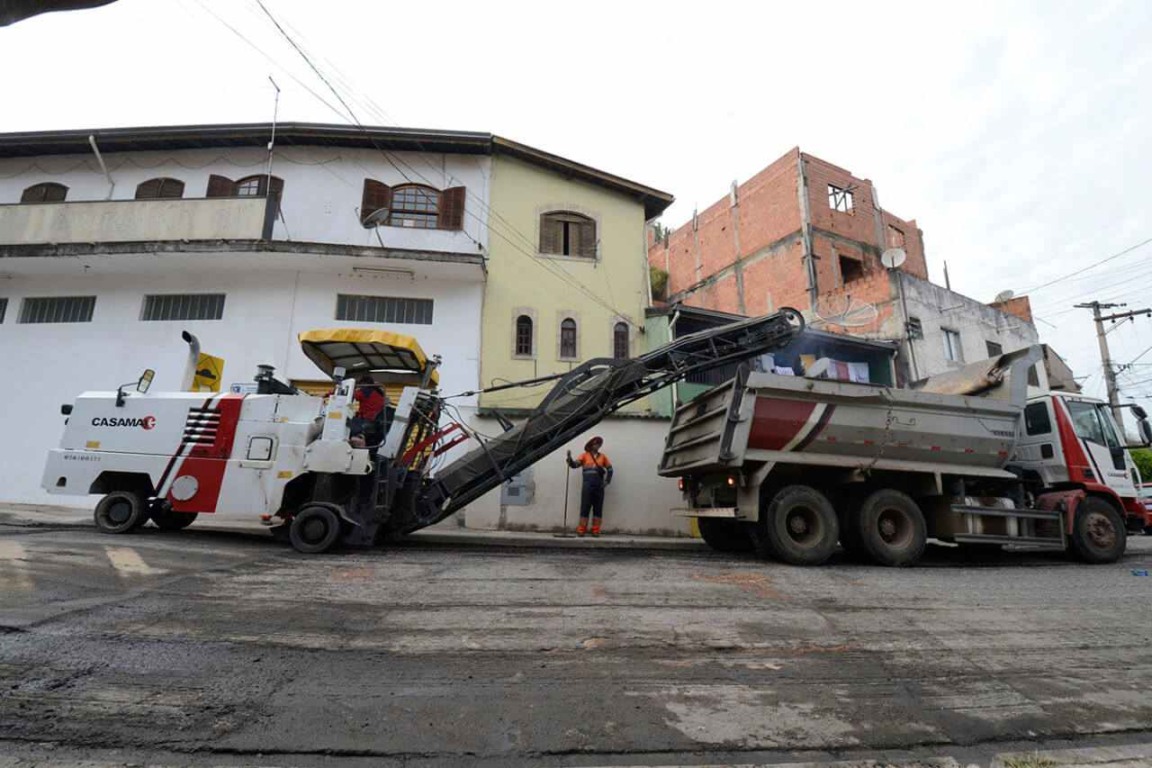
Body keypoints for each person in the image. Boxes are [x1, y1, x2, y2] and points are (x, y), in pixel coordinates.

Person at [566, 436, 613, 536]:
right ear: (591, 445)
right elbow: (575, 465)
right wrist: (569, 459)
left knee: (598, 508)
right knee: (585, 507)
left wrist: (607, 481)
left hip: (599, 486)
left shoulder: (603, 457)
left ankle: (595, 530)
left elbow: (610, 469)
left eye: (599, 444)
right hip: (587, 486)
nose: (597, 446)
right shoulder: (584, 456)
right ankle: (581, 529)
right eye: (596, 444)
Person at [351, 375, 387, 447]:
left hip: (366, 420)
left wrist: (331, 393)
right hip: (376, 421)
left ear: (364, 383)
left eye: (360, 384)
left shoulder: (365, 392)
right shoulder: (379, 393)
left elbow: (351, 394)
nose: (360, 387)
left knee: (347, 423)